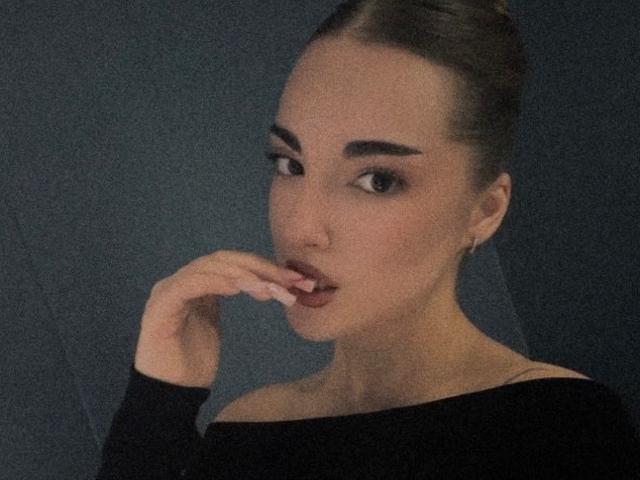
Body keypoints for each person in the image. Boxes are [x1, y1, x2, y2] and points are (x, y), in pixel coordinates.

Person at [96, 0, 640, 478]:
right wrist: (158, 401)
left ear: (485, 210)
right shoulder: (245, 430)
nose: (302, 228)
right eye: (290, 164)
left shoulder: (560, 429)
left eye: (377, 180)